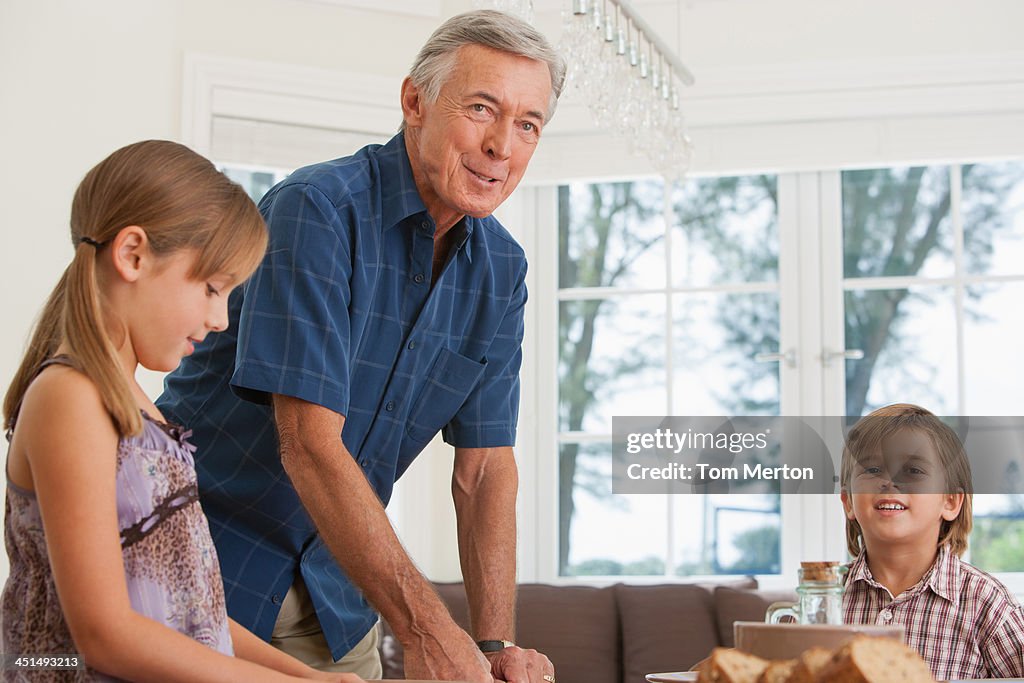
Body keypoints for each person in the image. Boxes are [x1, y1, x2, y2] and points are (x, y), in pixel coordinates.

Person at [157, 9, 564, 683]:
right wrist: (430, 631)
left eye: (528, 124)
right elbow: (311, 445)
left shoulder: (504, 271)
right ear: (414, 101)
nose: (502, 145)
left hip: (340, 600)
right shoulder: (315, 209)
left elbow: (485, 468)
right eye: (482, 108)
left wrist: (491, 648)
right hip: (207, 575)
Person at [1, 140, 363, 683]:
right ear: (132, 255)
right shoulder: (71, 398)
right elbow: (102, 636)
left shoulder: (136, 407)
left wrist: (310, 678)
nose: (220, 318)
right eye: (212, 288)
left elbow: (196, 615)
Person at [839, 403, 1024, 680]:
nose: (889, 481)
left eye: (913, 471)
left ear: (950, 501)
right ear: (848, 502)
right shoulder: (818, 601)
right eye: (873, 469)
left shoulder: (987, 604)